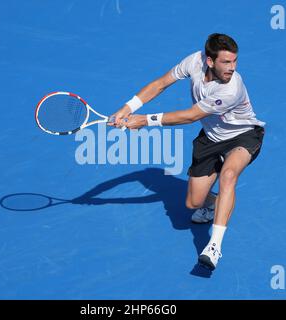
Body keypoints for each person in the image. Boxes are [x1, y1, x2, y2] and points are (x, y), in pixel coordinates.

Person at [108, 33, 265, 271]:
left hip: (243, 135)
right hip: (211, 139)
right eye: (226, 62)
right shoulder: (194, 61)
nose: (232, 68)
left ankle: (214, 246)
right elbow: (160, 83)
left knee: (229, 175)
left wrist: (144, 121)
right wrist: (127, 108)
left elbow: (190, 116)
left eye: (234, 61)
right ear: (209, 61)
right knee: (193, 204)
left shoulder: (231, 89)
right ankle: (215, 203)